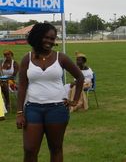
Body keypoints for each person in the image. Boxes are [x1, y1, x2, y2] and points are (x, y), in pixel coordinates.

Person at [16, 23, 84, 162]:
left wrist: (75, 101)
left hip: (57, 109)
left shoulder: (61, 57)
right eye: (46, 37)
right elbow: (22, 86)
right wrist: (19, 112)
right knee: (29, 150)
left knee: (56, 148)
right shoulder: (27, 58)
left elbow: (80, 77)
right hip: (33, 109)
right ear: (37, 37)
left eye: (52, 39)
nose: (49, 41)